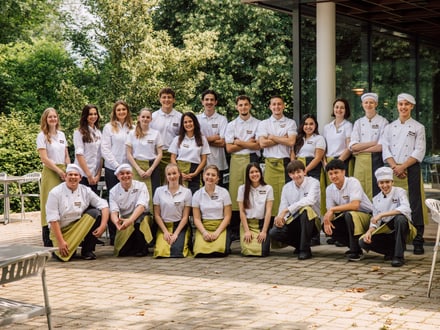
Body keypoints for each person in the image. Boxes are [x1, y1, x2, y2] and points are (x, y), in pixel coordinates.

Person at [380, 93, 428, 255]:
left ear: (412, 107)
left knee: (415, 204)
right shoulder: (389, 127)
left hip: (411, 167)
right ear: (397, 106)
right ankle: (396, 238)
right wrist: (395, 166)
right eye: (401, 104)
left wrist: (404, 166)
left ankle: (418, 240)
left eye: (407, 104)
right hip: (393, 168)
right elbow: (385, 148)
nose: (403, 107)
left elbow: (419, 150)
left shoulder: (418, 127)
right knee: (394, 203)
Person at [47, 164, 109, 261]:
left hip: (78, 226)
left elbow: (104, 205)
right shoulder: (55, 193)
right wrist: (61, 242)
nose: (73, 177)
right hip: (60, 230)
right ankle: (68, 246)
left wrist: (103, 225)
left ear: (80, 178)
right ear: (65, 177)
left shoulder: (86, 190)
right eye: (70, 175)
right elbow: (53, 219)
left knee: (95, 213)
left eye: (76, 175)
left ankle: (87, 250)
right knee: (64, 257)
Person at [359, 167, 416, 267]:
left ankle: (399, 257)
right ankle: (391, 251)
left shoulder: (400, 192)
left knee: (400, 219)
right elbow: (375, 221)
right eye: (381, 183)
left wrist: (382, 215)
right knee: (362, 242)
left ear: (392, 182)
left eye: (387, 182)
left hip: (402, 229)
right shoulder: (376, 199)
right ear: (378, 184)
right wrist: (369, 231)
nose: (385, 185)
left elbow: (406, 208)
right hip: (386, 231)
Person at [225, 95, 261, 238]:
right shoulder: (231, 125)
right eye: (240, 105)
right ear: (236, 107)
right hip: (236, 161)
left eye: (246, 104)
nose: (243, 107)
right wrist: (248, 143)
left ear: (250, 106)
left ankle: (254, 224)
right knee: (235, 193)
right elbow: (228, 148)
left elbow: (258, 145)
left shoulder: (258, 123)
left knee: (253, 191)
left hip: (252, 159)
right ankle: (235, 228)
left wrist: (239, 142)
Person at [269, 160, 321, 260]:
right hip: (293, 221)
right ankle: (301, 245)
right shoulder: (286, 187)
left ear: (304, 172)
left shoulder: (314, 183)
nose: (296, 175)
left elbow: (310, 200)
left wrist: (287, 210)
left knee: (306, 210)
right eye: (292, 173)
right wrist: (281, 218)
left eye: (298, 172)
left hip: (312, 223)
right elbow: (282, 206)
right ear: (289, 175)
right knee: (274, 232)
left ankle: (304, 250)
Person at [323, 159, 373, 261]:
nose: (333, 176)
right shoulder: (329, 189)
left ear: (343, 172)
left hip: (367, 217)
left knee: (349, 215)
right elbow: (330, 211)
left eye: (336, 172)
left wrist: (332, 209)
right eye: (330, 174)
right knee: (327, 226)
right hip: (349, 217)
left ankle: (356, 252)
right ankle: (354, 246)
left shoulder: (353, 182)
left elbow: (355, 205)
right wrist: (327, 219)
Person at [256, 95, 297, 216]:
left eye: (279, 104)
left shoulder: (290, 122)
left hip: (285, 163)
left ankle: (286, 220)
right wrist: (282, 138)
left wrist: (272, 137)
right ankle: (271, 224)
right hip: (270, 163)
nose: (277, 106)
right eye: (274, 104)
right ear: (270, 107)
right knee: (270, 194)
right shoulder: (264, 123)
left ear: (283, 106)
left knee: (287, 194)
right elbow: (262, 143)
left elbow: (291, 142)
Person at [101, 100, 134, 244]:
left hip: (129, 169)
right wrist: (117, 167)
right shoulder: (108, 128)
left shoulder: (133, 127)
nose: (121, 112)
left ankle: (129, 234)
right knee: (113, 201)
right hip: (112, 169)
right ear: (114, 112)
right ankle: (114, 235)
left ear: (127, 111)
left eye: (124, 109)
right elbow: (105, 149)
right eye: (118, 110)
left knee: (129, 200)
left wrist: (127, 168)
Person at [37, 107, 71, 247]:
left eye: (55, 117)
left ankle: (63, 233)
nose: (53, 119)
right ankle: (48, 237)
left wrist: (68, 170)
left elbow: (66, 155)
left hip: (63, 171)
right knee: (49, 203)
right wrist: (58, 171)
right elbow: (44, 158)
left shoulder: (62, 135)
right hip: (51, 171)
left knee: (63, 203)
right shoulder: (42, 136)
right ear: (45, 119)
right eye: (50, 117)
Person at [349, 92, 388, 199]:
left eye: (371, 102)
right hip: (360, 163)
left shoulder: (383, 122)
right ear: (362, 104)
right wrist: (373, 143)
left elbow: (381, 146)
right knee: (359, 186)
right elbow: (353, 147)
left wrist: (361, 150)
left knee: (376, 187)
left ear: (376, 104)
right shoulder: (358, 123)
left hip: (376, 160)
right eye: (366, 102)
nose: (368, 105)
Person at [109, 164, 153, 257]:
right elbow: (114, 211)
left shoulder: (141, 186)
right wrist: (116, 222)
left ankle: (142, 247)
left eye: (128, 173)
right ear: (117, 177)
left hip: (140, 215)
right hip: (124, 219)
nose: (125, 176)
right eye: (122, 174)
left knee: (139, 221)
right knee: (121, 251)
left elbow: (141, 206)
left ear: (132, 175)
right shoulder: (113, 191)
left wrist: (130, 220)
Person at [126, 108, 163, 211]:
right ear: (138, 118)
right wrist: (138, 169)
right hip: (137, 167)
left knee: (153, 196)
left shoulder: (156, 133)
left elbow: (160, 154)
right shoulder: (132, 133)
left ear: (151, 119)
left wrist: (151, 169)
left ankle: (152, 222)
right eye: (143, 117)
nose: (145, 119)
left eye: (148, 117)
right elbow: (128, 153)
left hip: (152, 168)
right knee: (135, 195)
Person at [152, 163, 192, 258]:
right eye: (169, 174)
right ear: (166, 176)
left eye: (174, 173)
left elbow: (185, 217)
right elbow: (157, 215)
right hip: (164, 226)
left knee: (178, 251)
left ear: (179, 174)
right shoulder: (159, 191)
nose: (172, 176)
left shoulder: (187, 192)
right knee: (161, 252)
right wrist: (165, 232)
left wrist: (176, 234)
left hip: (180, 226)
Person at [192, 165, 232, 257]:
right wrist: (204, 232)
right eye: (208, 174)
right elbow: (197, 219)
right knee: (199, 251)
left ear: (217, 178)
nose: (210, 177)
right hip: (204, 226)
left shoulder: (224, 192)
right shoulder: (197, 195)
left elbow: (227, 216)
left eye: (213, 175)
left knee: (219, 250)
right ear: (203, 176)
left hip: (220, 226)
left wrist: (217, 232)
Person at [293, 114, 326, 217]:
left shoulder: (319, 138)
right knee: (300, 195)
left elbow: (318, 157)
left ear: (315, 125)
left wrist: (305, 170)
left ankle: (318, 221)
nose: (308, 126)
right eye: (306, 124)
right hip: (298, 169)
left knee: (315, 196)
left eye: (311, 124)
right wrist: (295, 170)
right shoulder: (298, 139)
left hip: (313, 168)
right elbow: (293, 154)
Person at [168, 112, 210, 194]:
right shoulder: (177, 139)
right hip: (179, 172)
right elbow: (173, 158)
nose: (188, 124)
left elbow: (204, 160)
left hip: (195, 172)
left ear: (194, 122)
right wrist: (179, 172)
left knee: (195, 198)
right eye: (185, 122)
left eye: (190, 121)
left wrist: (195, 173)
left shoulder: (202, 139)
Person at [237, 162, 273, 257]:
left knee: (263, 252)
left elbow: (268, 212)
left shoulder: (268, 188)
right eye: (251, 172)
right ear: (247, 175)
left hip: (262, 224)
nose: (254, 174)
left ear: (261, 173)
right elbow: (242, 211)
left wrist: (264, 231)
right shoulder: (242, 189)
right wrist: (247, 231)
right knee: (247, 250)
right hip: (247, 224)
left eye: (256, 171)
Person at [150, 87, 182, 184]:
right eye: (164, 97)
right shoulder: (153, 117)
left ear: (174, 99)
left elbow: (182, 136)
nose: (166, 100)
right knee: (157, 182)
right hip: (156, 154)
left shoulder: (180, 117)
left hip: (173, 155)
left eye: (169, 97)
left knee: (173, 182)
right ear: (160, 99)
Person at [197, 90, 228, 186]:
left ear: (216, 102)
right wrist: (213, 138)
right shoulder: (196, 119)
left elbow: (223, 142)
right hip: (200, 162)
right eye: (206, 99)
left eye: (212, 100)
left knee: (217, 193)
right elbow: (194, 141)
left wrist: (203, 140)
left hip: (218, 162)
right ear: (202, 102)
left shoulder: (222, 119)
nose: (209, 102)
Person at [73, 104, 103, 194]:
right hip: (82, 175)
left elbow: (100, 155)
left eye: (95, 114)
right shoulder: (79, 132)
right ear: (85, 116)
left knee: (93, 205)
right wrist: (89, 175)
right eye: (90, 114)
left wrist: (98, 174)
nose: (93, 116)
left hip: (94, 175)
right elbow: (79, 155)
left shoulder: (98, 132)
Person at [322, 98, 353, 175]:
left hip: (342, 161)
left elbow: (349, 147)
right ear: (333, 109)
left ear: (346, 110)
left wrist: (337, 162)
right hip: (328, 162)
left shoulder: (348, 126)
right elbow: (323, 148)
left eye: (342, 108)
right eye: (337, 107)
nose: (339, 110)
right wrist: (325, 163)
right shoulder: (327, 127)